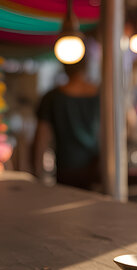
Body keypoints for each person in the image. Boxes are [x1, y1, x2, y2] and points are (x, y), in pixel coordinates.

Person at [33, 56, 100, 190]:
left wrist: (38, 176)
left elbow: (41, 140)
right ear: (86, 64)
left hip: (66, 170)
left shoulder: (52, 97)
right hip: (98, 169)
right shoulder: (102, 95)